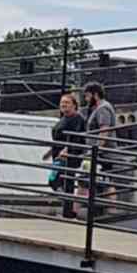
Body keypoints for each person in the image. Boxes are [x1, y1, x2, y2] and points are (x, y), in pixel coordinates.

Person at [81, 81, 120, 211]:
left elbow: (104, 130)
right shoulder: (99, 108)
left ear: (95, 95)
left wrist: (98, 149)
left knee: (107, 180)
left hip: (102, 153)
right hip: (99, 152)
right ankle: (104, 210)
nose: (86, 99)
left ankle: (112, 211)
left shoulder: (103, 108)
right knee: (99, 180)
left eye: (87, 96)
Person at [47, 91, 86, 216]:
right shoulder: (63, 118)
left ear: (74, 105)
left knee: (55, 180)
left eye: (67, 102)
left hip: (68, 155)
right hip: (58, 153)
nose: (64, 105)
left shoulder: (77, 119)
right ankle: (68, 211)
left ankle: (68, 210)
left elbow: (77, 137)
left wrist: (67, 150)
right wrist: (49, 151)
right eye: (62, 102)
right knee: (63, 181)